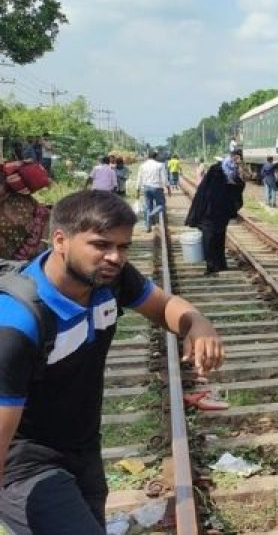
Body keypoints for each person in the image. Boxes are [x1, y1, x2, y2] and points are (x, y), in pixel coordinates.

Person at [0, 190, 225, 534]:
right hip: (25, 464)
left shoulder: (110, 279)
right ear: (60, 240)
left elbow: (163, 306)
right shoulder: (18, 323)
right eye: (101, 244)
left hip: (83, 448)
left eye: (123, 247)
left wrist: (197, 321)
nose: (114, 257)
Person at [185, 152, 244, 276]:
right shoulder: (229, 176)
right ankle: (218, 264)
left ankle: (213, 265)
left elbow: (205, 191)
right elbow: (236, 192)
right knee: (218, 238)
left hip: (211, 212)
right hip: (217, 212)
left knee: (210, 239)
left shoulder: (218, 171)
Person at [135, 151, 171, 233]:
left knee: (148, 207)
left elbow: (139, 178)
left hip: (146, 188)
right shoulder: (160, 165)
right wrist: (168, 188)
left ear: (148, 156)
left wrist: (137, 190)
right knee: (161, 205)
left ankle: (148, 226)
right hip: (157, 188)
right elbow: (164, 178)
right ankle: (152, 214)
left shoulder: (142, 166)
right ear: (156, 157)